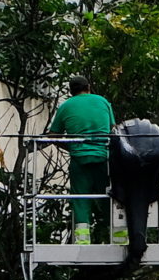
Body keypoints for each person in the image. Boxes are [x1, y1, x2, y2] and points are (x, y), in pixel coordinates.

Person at [49, 86, 114, 242]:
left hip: (79, 160)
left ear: (71, 91)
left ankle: (83, 239)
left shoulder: (65, 106)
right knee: (109, 197)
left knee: (80, 199)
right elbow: (113, 130)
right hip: (103, 158)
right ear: (89, 88)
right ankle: (118, 237)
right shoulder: (103, 102)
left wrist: (71, 146)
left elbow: (53, 135)